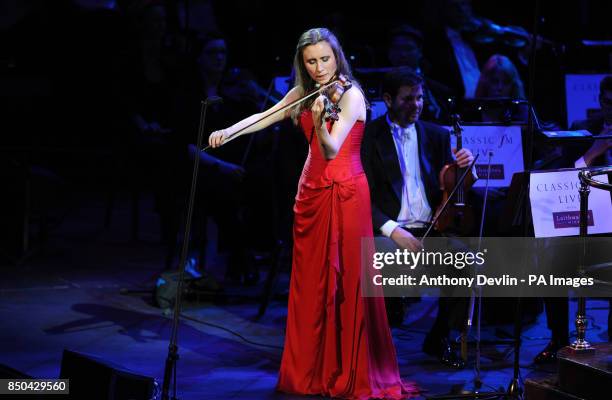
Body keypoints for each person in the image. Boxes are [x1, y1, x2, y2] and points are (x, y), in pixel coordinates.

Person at [209, 28, 416, 399]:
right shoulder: (305, 92)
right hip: (311, 196)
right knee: (312, 285)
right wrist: (229, 131)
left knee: (348, 284)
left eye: (325, 59)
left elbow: (332, 149)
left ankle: (348, 371)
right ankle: (312, 371)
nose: (319, 68)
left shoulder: (350, 95)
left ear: (337, 57)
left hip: (346, 194)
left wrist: (320, 121)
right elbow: (265, 116)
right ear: (302, 64)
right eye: (311, 61)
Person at [361, 68, 475, 369]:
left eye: (420, 98)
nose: (417, 105)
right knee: (381, 261)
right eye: (408, 99)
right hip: (388, 229)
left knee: (465, 262)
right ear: (388, 100)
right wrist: (392, 230)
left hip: (429, 228)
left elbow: (451, 185)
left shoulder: (436, 135)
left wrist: (466, 169)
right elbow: (361, 196)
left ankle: (441, 336)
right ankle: (379, 348)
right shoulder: (367, 137)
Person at [534, 75, 612, 364]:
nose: (611, 110)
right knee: (552, 261)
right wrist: (594, 153)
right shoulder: (583, 131)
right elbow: (566, 177)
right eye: (607, 103)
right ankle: (558, 339)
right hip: (590, 223)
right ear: (600, 102)